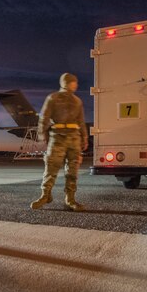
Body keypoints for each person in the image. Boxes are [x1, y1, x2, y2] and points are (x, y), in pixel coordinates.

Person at [31, 73, 88, 212]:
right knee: (51, 167)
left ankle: (70, 198)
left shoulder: (77, 101)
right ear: (66, 83)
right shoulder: (53, 98)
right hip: (58, 137)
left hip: (74, 138)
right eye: (73, 82)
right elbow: (44, 117)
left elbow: (81, 121)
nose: (76, 85)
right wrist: (41, 133)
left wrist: (84, 138)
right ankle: (45, 195)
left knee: (73, 170)